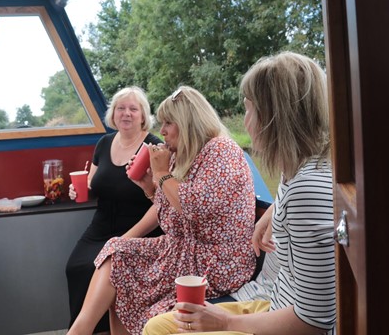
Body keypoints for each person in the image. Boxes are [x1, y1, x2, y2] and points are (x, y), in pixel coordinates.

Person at [143, 52, 336, 335]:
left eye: (249, 109)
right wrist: (269, 215)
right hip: (273, 303)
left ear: (273, 118)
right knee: (160, 324)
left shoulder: (307, 191)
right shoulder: (295, 172)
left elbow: (314, 322)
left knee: (161, 330)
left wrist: (226, 322)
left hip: (283, 321)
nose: (245, 122)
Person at [67, 85, 257, 335]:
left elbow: (193, 207)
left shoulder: (222, 151)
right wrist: (149, 187)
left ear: (188, 122)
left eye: (169, 123)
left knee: (123, 270)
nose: (162, 131)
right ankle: (80, 330)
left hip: (217, 261)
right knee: (117, 251)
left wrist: (161, 173)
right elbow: (171, 220)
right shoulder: (184, 155)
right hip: (183, 250)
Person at [65, 86, 163, 333]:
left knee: (97, 269)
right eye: (121, 108)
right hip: (101, 225)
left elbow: (162, 203)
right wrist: (76, 191)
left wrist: (125, 239)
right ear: (113, 114)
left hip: (139, 229)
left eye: (133, 108)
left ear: (143, 115)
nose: (126, 113)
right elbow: (92, 182)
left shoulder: (154, 147)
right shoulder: (104, 142)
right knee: (76, 267)